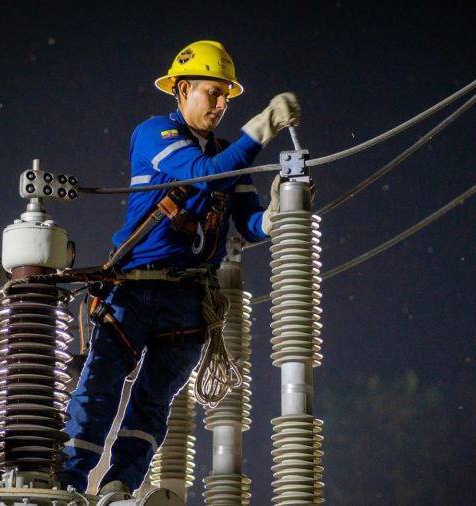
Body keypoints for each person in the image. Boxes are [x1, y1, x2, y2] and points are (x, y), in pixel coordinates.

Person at [57, 40, 300, 496]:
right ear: (183, 89)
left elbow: (244, 225)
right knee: (98, 392)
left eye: (227, 94)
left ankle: (119, 487)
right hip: (132, 291)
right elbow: (203, 173)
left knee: (152, 404)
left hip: (187, 301)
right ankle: (68, 484)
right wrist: (262, 128)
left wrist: (271, 218)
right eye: (214, 92)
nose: (223, 103)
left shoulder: (229, 156)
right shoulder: (155, 134)